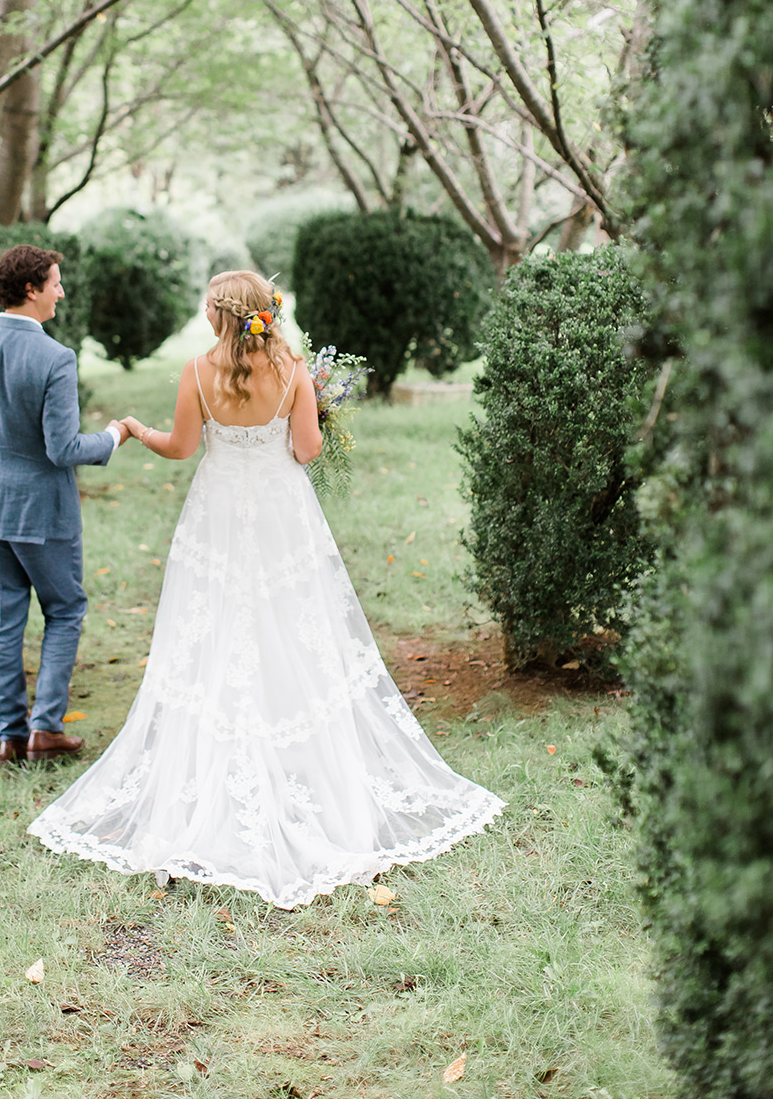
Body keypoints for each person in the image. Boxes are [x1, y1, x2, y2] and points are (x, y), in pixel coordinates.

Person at [28, 271, 503, 908]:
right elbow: (306, 451)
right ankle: (300, 758)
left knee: (217, 628)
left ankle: (219, 769)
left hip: (218, 514)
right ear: (264, 314)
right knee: (293, 628)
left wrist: (138, 432)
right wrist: (312, 415)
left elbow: (182, 448)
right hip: (283, 514)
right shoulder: (295, 371)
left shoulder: (198, 372)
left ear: (221, 316)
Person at [0, 244, 130, 766]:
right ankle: (45, 729)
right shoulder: (55, 357)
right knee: (65, 610)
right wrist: (115, 435)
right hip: (41, 511)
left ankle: (10, 737)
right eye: (55, 282)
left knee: (2, 621)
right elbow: (63, 449)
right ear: (32, 289)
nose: (61, 291)